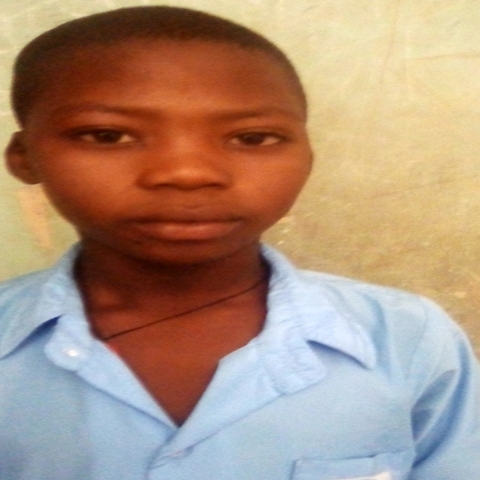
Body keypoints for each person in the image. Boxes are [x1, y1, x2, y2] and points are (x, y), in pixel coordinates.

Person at [0, 6, 478, 480]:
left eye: (253, 138)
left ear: (308, 153)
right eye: (108, 135)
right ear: (24, 157)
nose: (187, 172)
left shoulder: (406, 339)